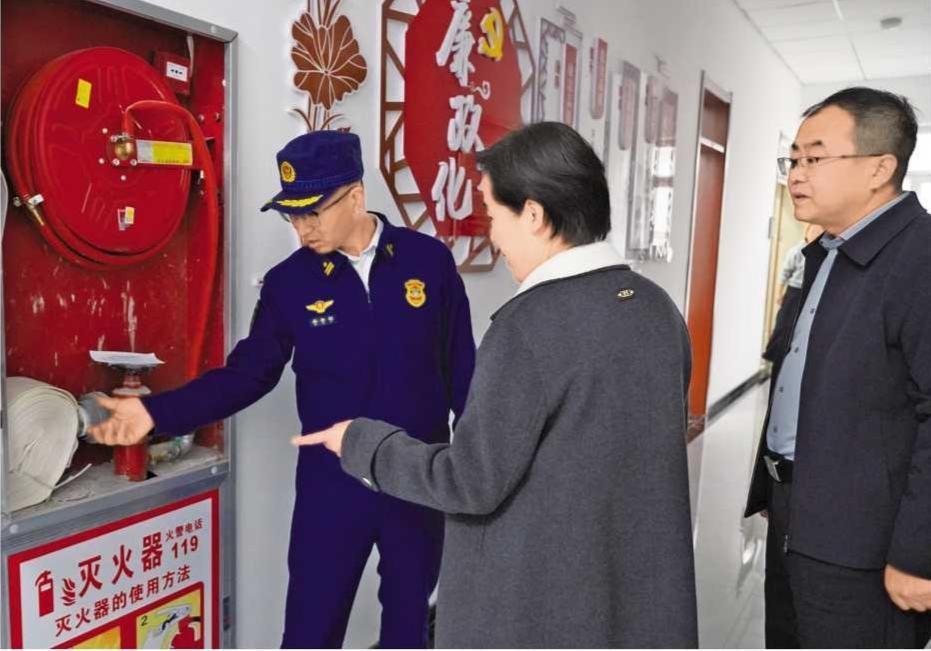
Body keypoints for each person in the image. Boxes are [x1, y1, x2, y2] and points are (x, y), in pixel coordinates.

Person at [294, 122, 698, 648]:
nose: (492, 236)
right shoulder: (656, 309)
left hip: (541, 613)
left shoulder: (528, 328)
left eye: (492, 214)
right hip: (629, 606)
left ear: (533, 214)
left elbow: (470, 481)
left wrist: (361, 442)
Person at [88, 130, 476, 648]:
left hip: (417, 477)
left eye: (313, 212)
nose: (302, 228)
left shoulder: (427, 262)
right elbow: (247, 374)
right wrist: (156, 414)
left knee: (410, 631)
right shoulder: (289, 283)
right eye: (291, 216)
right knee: (309, 633)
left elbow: (464, 373)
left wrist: (476, 472)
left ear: (355, 196)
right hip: (332, 486)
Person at [744, 88, 931, 648]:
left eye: (815, 158)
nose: (797, 174)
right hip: (800, 515)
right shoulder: (828, 252)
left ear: (880, 168)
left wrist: (919, 553)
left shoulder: (919, 259)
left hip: (867, 544)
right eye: (793, 159)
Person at [762, 223, 823, 362]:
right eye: (813, 231)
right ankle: (775, 356)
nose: (816, 234)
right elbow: (784, 274)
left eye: (819, 232)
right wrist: (779, 293)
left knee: (802, 327)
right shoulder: (796, 251)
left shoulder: (822, 253)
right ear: (807, 232)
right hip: (794, 292)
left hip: (811, 293)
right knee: (784, 324)